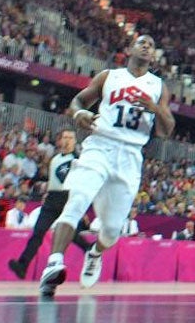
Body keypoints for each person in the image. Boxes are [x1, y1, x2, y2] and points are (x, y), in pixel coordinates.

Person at [39, 34, 174, 296]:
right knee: (76, 200)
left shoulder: (158, 86)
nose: (147, 46)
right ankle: (53, 264)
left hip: (131, 155)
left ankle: (95, 253)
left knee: (111, 230)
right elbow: (78, 101)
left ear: (154, 56)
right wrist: (80, 113)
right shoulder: (108, 76)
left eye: (152, 45)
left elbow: (167, 130)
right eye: (142, 42)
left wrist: (155, 108)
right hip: (99, 146)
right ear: (129, 49)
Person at [11, 130, 88, 281]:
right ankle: (22, 265)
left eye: (70, 138)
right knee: (38, 232)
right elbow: (54, 180)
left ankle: (88, 249)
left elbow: (82, 183)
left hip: (68, 198)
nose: (66, 140)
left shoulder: (79, 160)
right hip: (52, 198)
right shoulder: (54, 159)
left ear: (74, 141)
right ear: (60, 140)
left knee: (70, 234)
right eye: (64, 137)